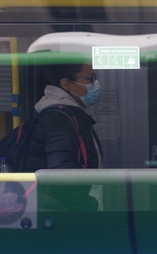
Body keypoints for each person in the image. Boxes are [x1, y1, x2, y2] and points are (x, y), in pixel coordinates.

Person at [24, 62, 104, 211]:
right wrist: (87, 206)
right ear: (66, 84)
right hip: (63, 217)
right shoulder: (58, 121)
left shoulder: (68, 115)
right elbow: (61, 176)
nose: (95, 84)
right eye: (90, 78)